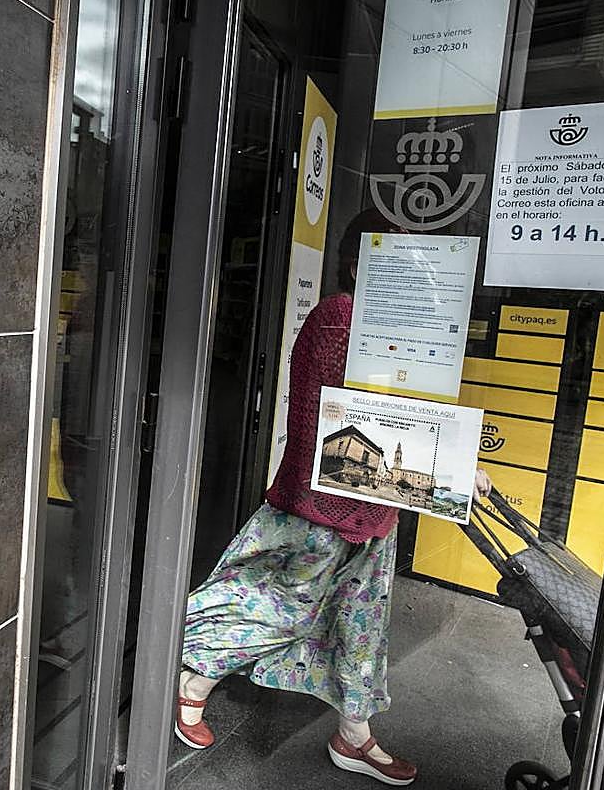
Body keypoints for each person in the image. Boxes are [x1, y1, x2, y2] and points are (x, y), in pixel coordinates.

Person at [174, 209, 491, 787]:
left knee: (361, 623)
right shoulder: (340, 320)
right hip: (322, 506)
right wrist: (448, 465)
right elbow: (373, 413)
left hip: (373, 505)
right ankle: (192, 677)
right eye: (398, 261)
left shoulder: (383, 326)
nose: (414, 274)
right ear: (357, 264)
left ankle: (355, 735)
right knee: (278, 604)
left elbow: (408, 407)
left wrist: (455, 462)